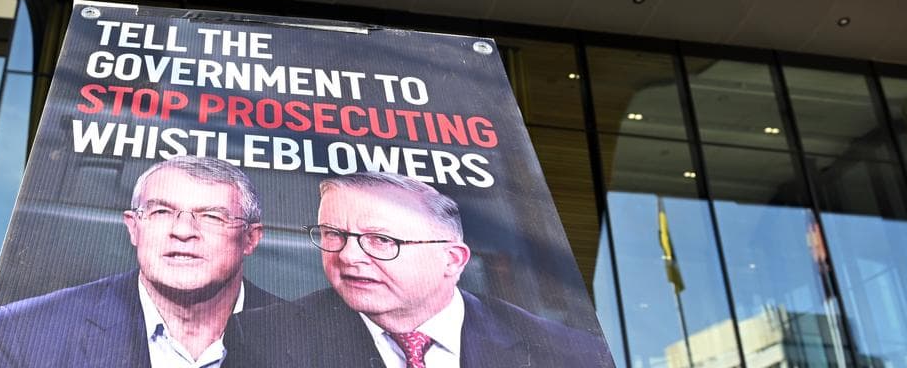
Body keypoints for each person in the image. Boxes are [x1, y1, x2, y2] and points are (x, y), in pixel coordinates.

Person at [225, 172, 616, 368]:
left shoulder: (563, 353)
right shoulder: (262, 337)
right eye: (332, 234)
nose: (348, 257)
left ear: (453, 260)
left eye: (381, 240)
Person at [0, 156, 279, 368]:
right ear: (133, 227)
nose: (183, 231)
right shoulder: (20, 334)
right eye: (161, 212)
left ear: (251, 238)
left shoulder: (311, 337)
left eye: (211, 216)